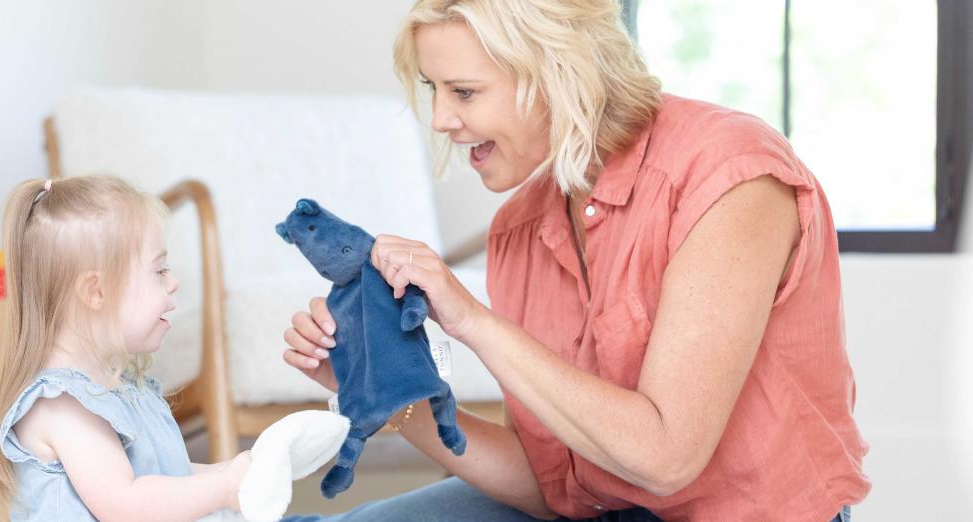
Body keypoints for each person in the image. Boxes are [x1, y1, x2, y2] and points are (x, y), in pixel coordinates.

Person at [281, 1, 869, 520]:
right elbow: (549, 489)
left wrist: (471, 320)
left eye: (464, 92)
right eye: (432, 88)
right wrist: (386, 390)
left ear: (558, 72)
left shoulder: (727, 177)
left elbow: (666, 458)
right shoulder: (518, 229)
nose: (439, 119)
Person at [0, 176, 252, 521]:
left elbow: (168, 478)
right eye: (159, 270)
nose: (173, 283)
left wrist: (233, 473)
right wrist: (224, 487)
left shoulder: (116, 390)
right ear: (96, 292)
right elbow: (127, 505)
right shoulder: (62, 405)